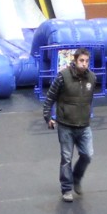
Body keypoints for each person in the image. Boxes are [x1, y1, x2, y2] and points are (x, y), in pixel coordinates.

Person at [42, 48, 98, 203]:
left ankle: (76, 177)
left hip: (84, 125)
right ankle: (67, 189)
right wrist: (48, 117)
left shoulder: (92, 78)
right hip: (65, 125)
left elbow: (89, 100)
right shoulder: (63, 77)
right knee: (66, 158)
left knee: (87, 155)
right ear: (75, 60)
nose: (84, 64)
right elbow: (50, 97)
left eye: (87, 61)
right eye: (81, 60)